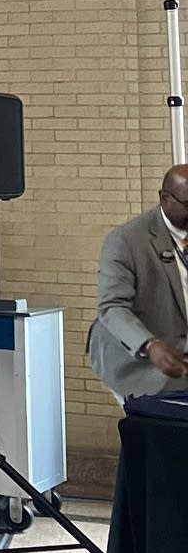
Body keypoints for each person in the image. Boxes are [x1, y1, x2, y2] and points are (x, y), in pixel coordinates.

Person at [90, 164, 188, 403]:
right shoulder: (125, 241)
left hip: (181, 355)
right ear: (165, 198)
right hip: (138, 361)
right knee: (160, 423)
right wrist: (150, 345)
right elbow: (112, 307)